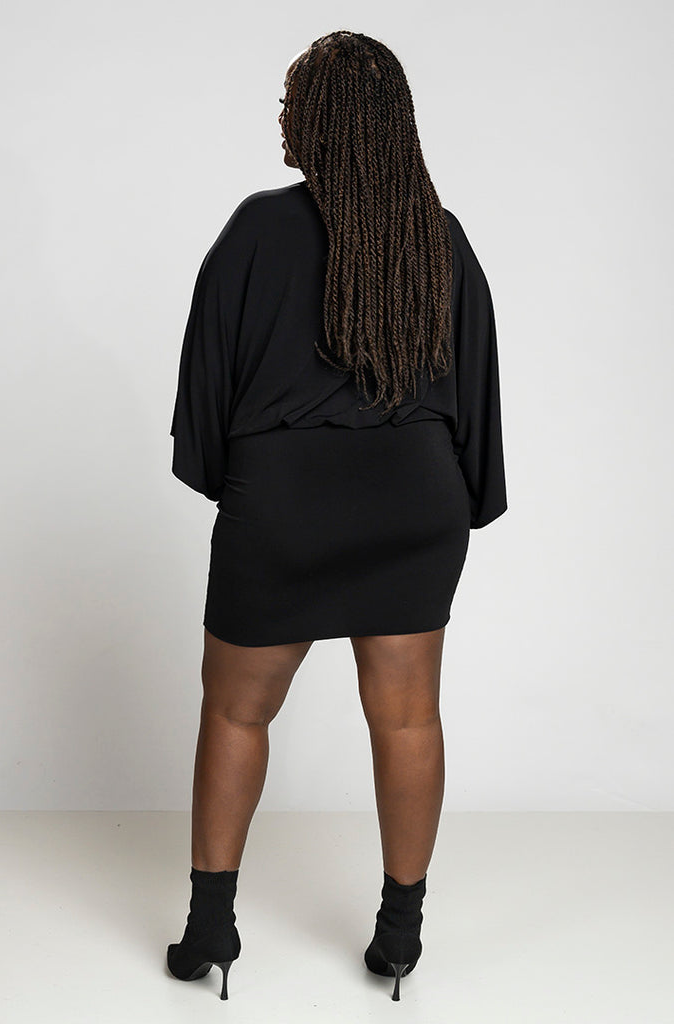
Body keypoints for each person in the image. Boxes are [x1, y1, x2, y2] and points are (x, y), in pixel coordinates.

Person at [166, 30, 507, 1001]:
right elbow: (474, 390)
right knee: (406, 716)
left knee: (235, 708)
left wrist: (240, 490)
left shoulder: (256, 229)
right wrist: (458, 499)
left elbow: (208, 379)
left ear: (315, 122)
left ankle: (209, 930)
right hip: (414, 498)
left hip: (285, 501)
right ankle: (399, 937)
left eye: (292, 102)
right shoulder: (437, 236)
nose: (282, 117)